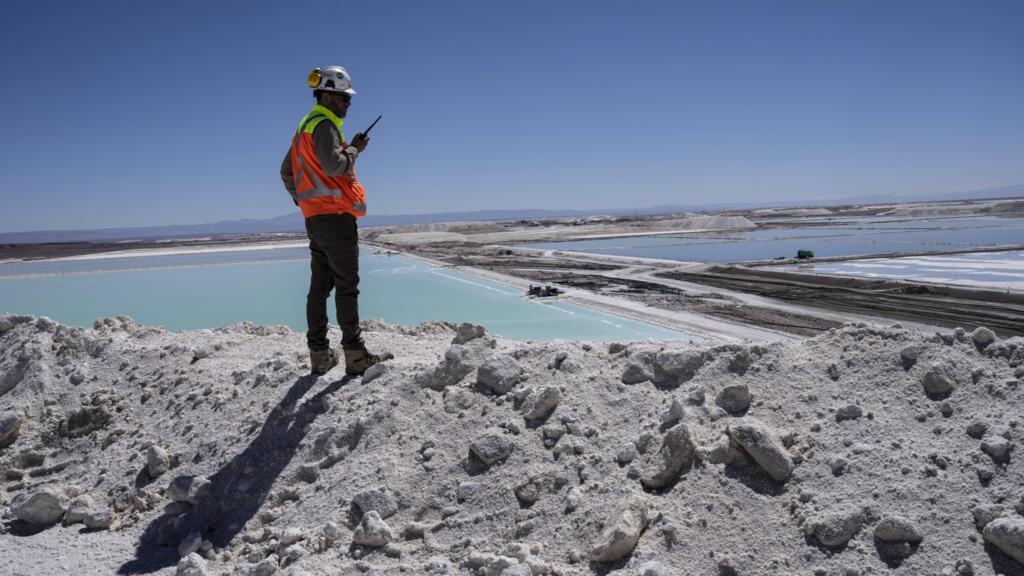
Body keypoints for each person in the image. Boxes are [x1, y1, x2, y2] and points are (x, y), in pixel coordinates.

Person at [280, 66, 392, 376]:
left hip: (315, 218)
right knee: (346, 286)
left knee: (319, 286)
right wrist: (355, 149)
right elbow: (334, 165)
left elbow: (287, 172)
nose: (348, 104)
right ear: (327, 95)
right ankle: (355, 355)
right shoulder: (324, 124)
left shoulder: (304, 127)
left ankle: (319, 355)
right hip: (335, 217)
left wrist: (305, 201)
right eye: (344, 98)